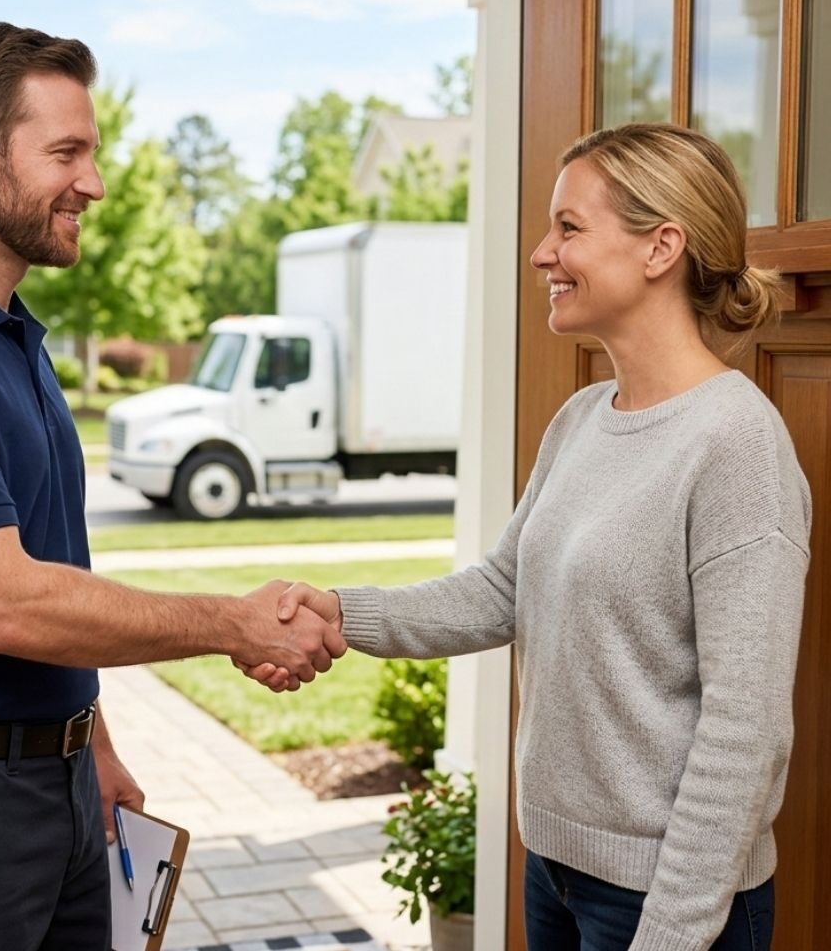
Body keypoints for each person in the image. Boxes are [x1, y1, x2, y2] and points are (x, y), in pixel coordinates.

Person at [0, 21, 345, 951]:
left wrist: (85, 740)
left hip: (46, 787)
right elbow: (4, 607)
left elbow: (48, 565)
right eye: (67, 152)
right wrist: (232, 622)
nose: (92, 183)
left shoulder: (10, 335)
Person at [247, 123, 811, 951]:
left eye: (569, 228)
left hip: (670, 902)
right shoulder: (583, 418)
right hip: (554, 871)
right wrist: (338, 611)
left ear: (661, 247)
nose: (543, 253)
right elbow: (500, 592)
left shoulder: (736, 445)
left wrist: (670, 934)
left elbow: (746, 728)